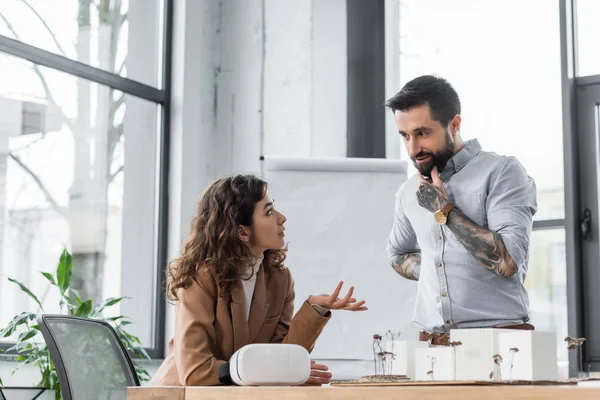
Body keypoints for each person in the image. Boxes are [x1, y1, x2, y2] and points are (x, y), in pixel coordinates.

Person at [150, 174, 367, 386]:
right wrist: (266, 371)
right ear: (242, 232)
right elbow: (196, 371)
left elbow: (281, 357)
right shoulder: (200, 277)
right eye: (269, 211)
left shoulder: (280, 279)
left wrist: (314, 309)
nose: (282, 218)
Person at [385, 75, 537, 345]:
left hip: (498, 338)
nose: (413, 148)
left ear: (454, 124)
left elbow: (509, 263)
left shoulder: (501, 172)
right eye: (405, 136)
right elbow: (398, 254)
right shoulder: (409, 192)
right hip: (430, 341)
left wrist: (443, 210)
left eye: (422, 133)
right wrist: (437, 267)